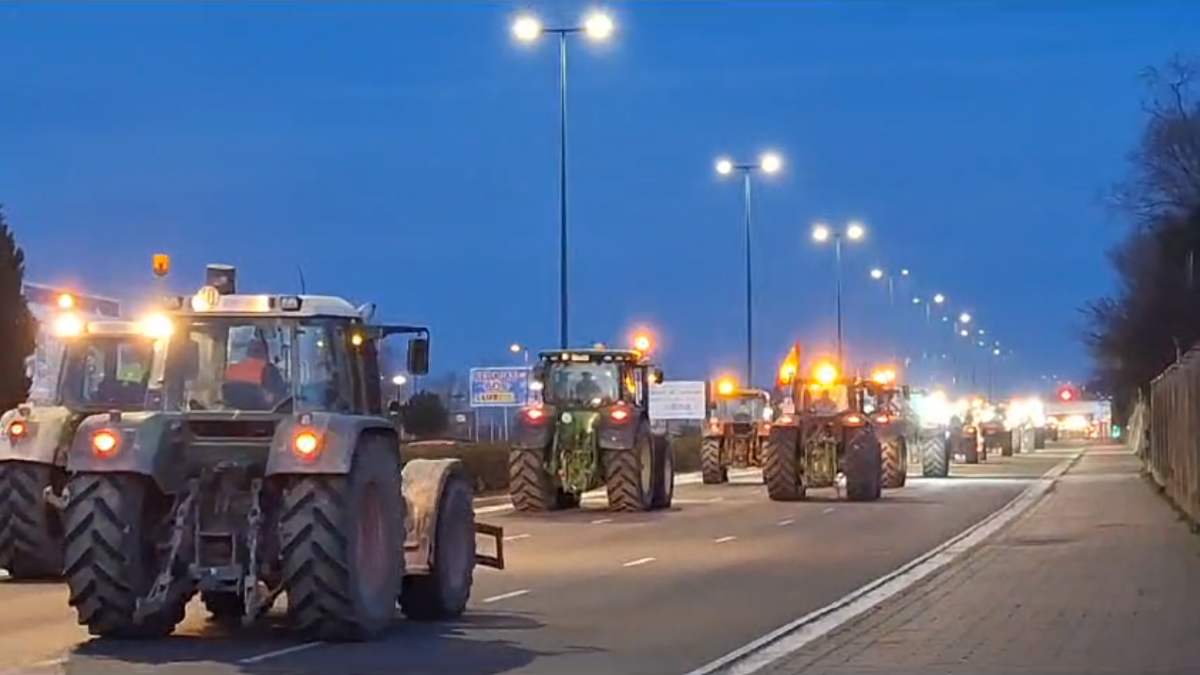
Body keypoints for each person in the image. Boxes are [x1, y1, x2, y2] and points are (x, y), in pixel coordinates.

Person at [224, 337, 288, 407]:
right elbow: (281, 400)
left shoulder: (232, 369)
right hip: (263, 415)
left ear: (248, 352)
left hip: (231, 414)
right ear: (266, 353)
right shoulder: (271, 371)